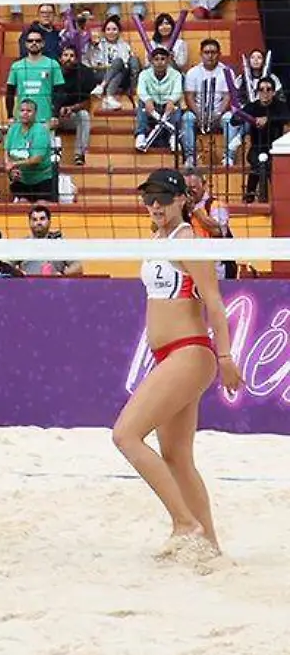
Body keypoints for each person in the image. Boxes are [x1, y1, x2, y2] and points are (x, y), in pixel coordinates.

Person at [112, 168, 243, 559]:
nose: (154, 205)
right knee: (177, 456)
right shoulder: (158, 239)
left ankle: (184, 523)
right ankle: (210, 546)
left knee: (125, 435)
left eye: (162, 198)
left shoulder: (188, 240)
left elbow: (215, 303)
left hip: (190, 350)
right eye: (149, 198)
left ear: (182, 200)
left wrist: (226, 356)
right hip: (170, 354)